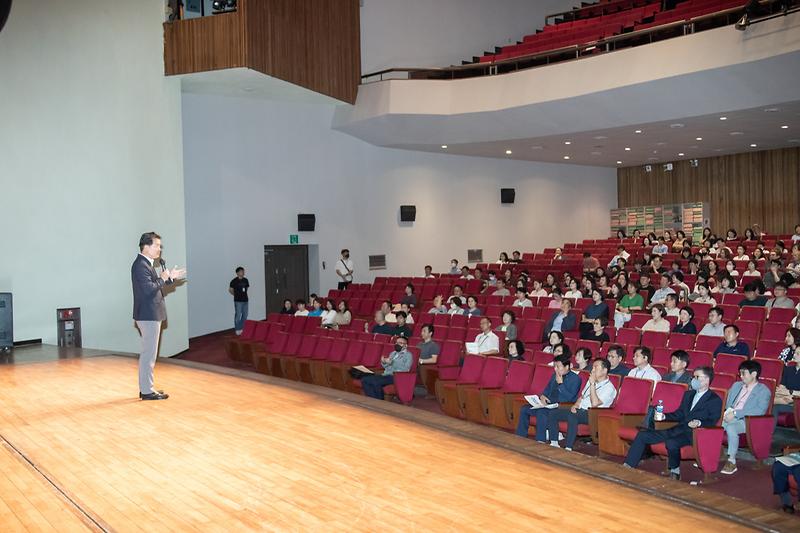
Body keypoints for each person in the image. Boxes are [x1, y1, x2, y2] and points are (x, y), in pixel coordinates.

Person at [623, 366, 722, 480]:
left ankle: (675, 470)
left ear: (706, 379)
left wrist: (699, 423)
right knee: (642, 435)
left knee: (672, 442)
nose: (693, 380)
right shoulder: (688, 395)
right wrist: (665, 416)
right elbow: (679, 414)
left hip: (694, 434)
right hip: (678, 429)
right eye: (693, 377)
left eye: (696, 377)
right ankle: (628, 465)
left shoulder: (714, 399)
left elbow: (713, 421)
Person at [131, 232, 186, 401]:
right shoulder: (140, 265)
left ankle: (148, 387)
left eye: (160, 246)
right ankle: (147, 391)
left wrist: (170, 278)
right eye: (156, 245)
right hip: (148, 314)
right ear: (146, 246)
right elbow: (149, 289)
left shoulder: (146, 264)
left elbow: (155, 286)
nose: (159, 249)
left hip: (150, 313)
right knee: (149, 354)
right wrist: (163, 278)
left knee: (150, 354)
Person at [547, 358, 617, 450]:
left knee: (573, 416)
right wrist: (575, 405)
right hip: (580, 410)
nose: (592, 370)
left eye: (596, 367)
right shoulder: (591, 381)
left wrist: (592, 384)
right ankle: (554, 442)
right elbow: (582, 396)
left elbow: (595, 403)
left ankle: (568, 447)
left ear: (604, 370)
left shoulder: (609, 388)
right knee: (553, 413)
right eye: (592, 367)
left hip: (593, 414)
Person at [720, 360, 771, 475]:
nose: (741, 376)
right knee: (713, 425)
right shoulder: (737, 385)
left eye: (744, 373)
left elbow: (759, 411)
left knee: (731, 428)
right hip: (729, 415)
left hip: (747, 421)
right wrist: (727, 413)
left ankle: (731, 461)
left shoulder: (763, 391)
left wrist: (737, 413)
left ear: (754, 374)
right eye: (740, 373)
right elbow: (728, 402)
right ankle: (708, 456)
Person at [515, 354, 581, 441]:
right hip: (548, 404)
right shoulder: (554, 375)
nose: (555, 369)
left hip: (561, 406)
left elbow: (569, 397)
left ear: (567, 367)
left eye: (558, 366)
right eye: (555, 366)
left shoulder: (575, 379)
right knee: (525, 409)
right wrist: (542, 397)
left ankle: (540, 440)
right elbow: (546, 390)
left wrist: (561, 384)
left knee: (541, 412)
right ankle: (520, 436)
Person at [228, 266, 249, 335]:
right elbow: (230, 290)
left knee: (245, 315)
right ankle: (237, 329)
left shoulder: (246, 280)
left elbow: (246, 288)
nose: (243, 272)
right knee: (238, 315)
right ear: (237, 273)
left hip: (245, 300)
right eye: (241, 271)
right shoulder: (234, 281)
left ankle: (242, 328)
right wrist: (236, 295)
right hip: (238, 301)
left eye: (243, 271)